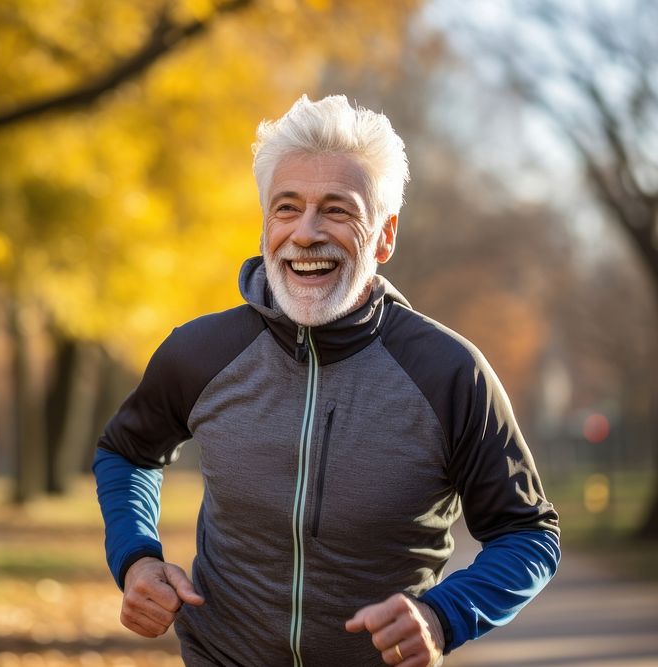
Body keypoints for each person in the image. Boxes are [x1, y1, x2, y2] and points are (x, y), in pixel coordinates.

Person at [93, 94, 560, 667]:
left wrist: (444, 617)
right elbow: (126, 451)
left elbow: (528, 533)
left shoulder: (448, 374)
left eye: (337, 210)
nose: (306, 233)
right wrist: (136, 556)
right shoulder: (201, 352)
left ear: (384, 236)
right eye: (286, 208)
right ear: (265, 223)